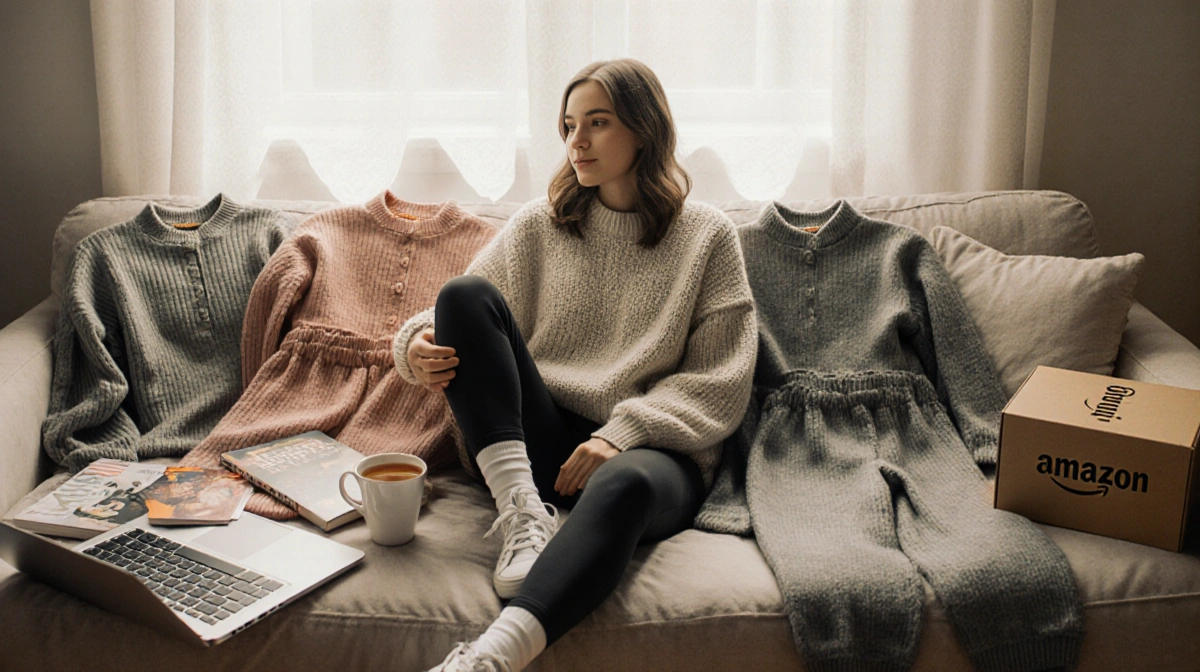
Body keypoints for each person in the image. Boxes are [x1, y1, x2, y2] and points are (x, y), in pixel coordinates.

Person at [392, 59, 757, 672]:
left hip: (652, 455)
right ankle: (523, 517)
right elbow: (455, 312)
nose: (576, 142)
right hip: (541, 452)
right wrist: (414, 348)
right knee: (462, 294)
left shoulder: (707, 236)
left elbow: (719, 382)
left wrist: (623, 434)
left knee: (625, 482)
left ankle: (488, 660)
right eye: (568, 125)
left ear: (644, 130)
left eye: (598, 123)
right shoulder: (542, 222)